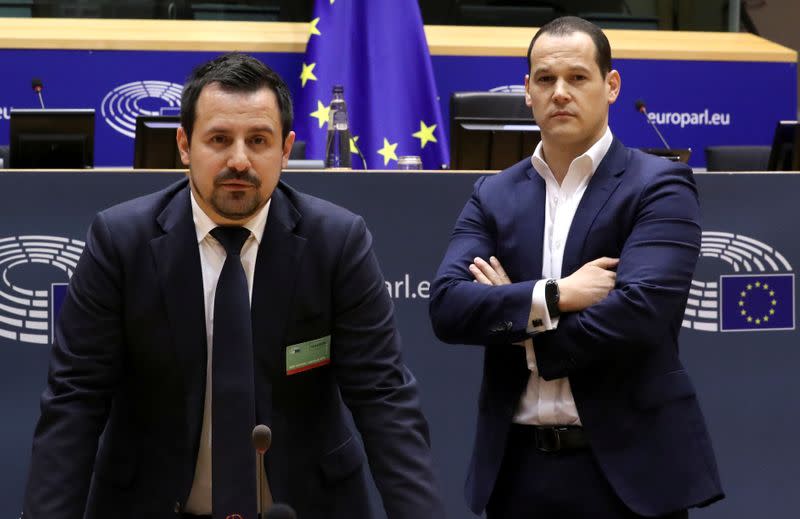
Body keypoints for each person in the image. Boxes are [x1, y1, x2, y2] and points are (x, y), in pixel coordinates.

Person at [24, 53, 443, 519]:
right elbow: (75, 401)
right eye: (219, 139)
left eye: (258, 141)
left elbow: (383, 398)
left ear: (285, 150)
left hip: (303, 507)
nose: (239, 160)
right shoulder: (120, 242)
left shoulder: (337, 242)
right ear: (184, 145)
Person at [429, 16, 723, 519]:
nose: (559, 92)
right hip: (516, 472)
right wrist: (555, 296)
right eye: (545, 79)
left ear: (611, 86)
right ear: (527, 91)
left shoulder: (660, 186)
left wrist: (521, 323)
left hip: (629, 477)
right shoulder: (494, 194)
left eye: (577, 78)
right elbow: (449, 308)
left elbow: (641, 313)